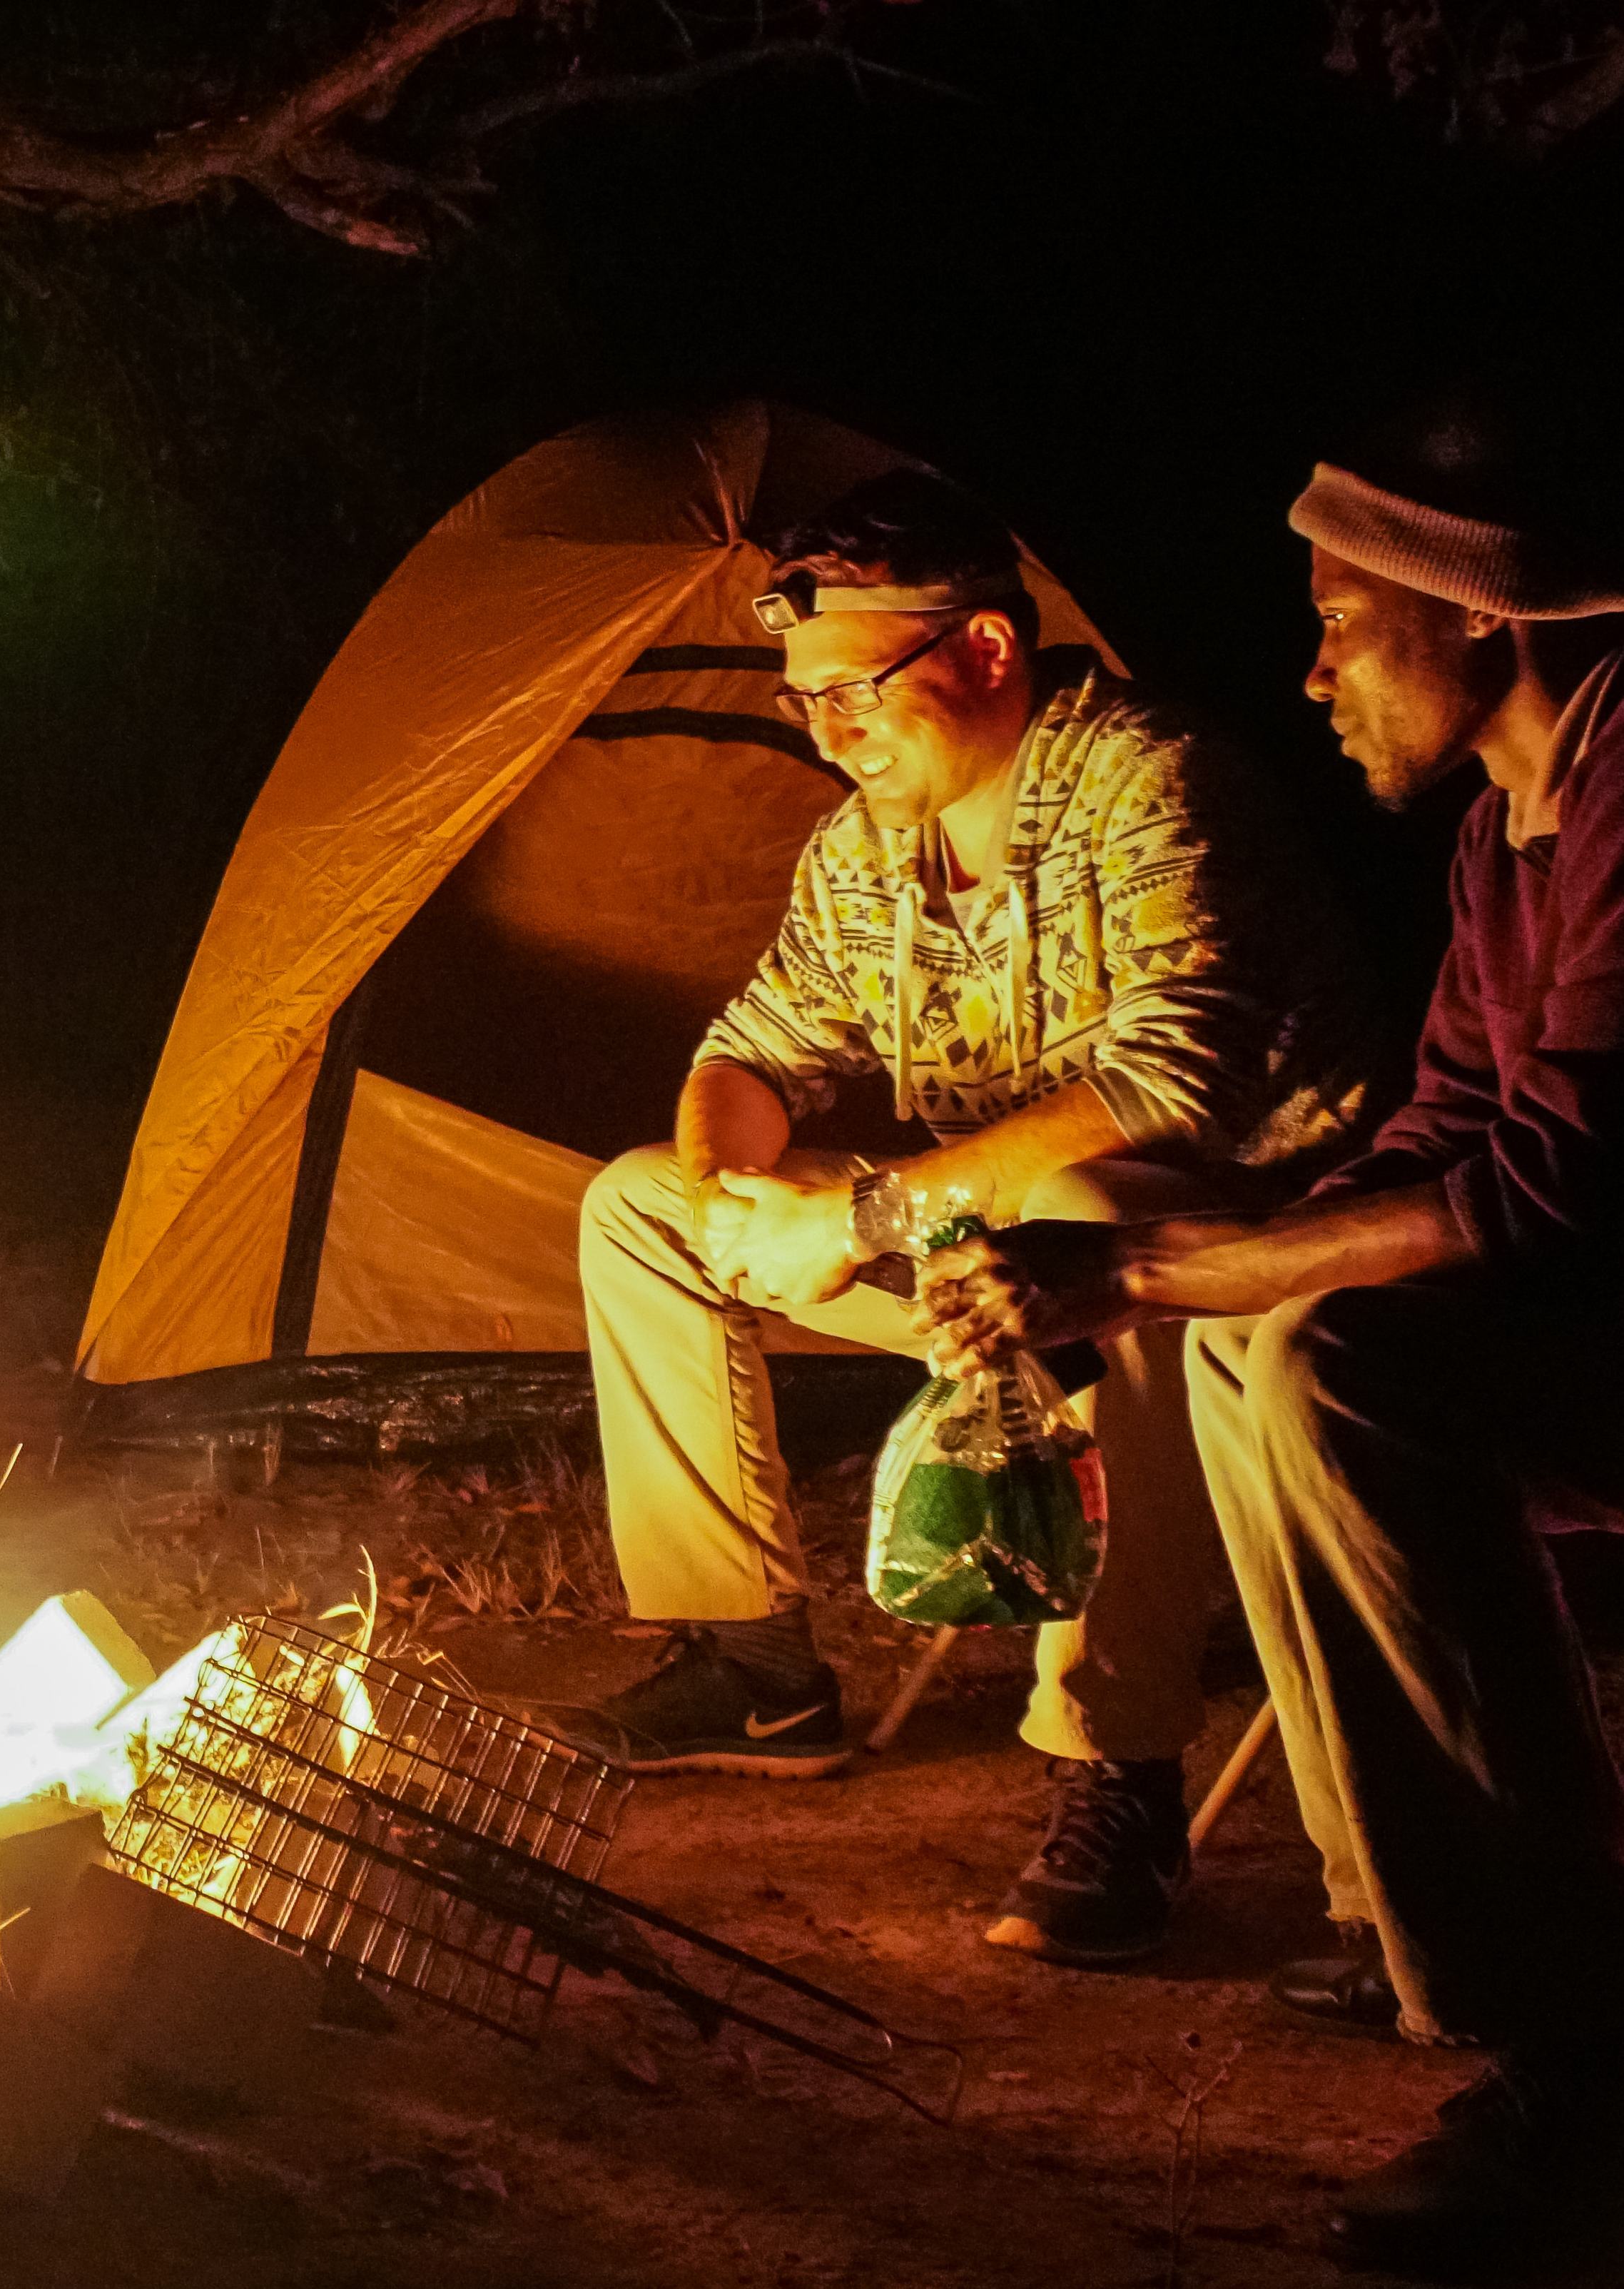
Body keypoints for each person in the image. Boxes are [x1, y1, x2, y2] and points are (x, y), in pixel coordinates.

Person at [920, 400, 1624, 2270]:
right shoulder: (1503, 838)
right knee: (1271, 1333)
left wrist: (1147, 1273)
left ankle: (1577, 2035)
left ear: (1478, 615)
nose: (1307, 672)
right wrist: (1236, 1261)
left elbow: (1546, 1189)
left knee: (1328, 1358)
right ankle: (1406, 1916)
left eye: (1338, 620)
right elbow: (1440, 1134)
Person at [568, 467, 1373, 1970]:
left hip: (1241, 1274)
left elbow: (1163, 1086)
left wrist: (863, 1206)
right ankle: (753, 1664)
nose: (827, 725)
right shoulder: (871, 845)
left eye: (854, 687)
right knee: (634, 1212)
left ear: (986, 650)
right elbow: (751, 1052)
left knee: (1078, 1213)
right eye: (802, 695)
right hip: (995, 1274)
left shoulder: (1146, 778)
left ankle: (1111, 1769)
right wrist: (724, 1191)